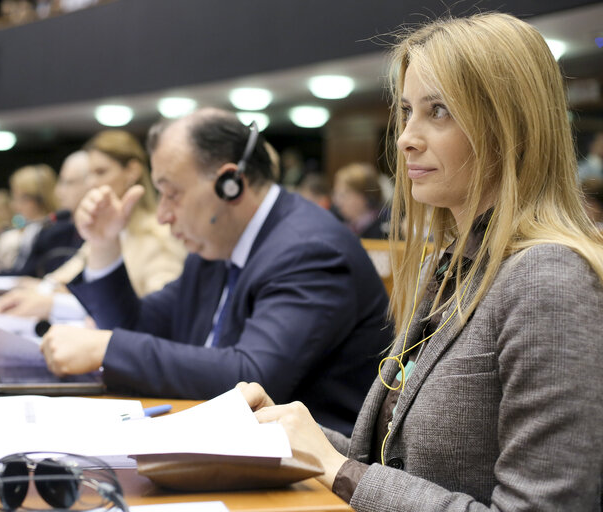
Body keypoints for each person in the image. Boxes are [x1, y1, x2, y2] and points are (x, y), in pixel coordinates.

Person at [238, 12, 603, 510]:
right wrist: (296, 433)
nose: (406, 137)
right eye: (408, 111)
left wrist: (335, 468)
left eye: (439, 111)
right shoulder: (453, 263)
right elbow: (399, 466)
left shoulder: (549, 277)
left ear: (509, 127)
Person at [40, 108, 391, 436]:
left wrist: (109, 348)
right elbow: (138, 325)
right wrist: (104, 245)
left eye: (171, 194)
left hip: (311, 473)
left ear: (230, 184)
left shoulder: (310, 249)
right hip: (232, 441)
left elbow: (252, 378)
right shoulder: (215, 246)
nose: (163, 214)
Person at [0, 130, 186, 319]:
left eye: (101, 172)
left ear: (132, 171)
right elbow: (64, 277)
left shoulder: (159, 234)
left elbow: (157, 314)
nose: (92, 183)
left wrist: (53, 303)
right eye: (90, 175)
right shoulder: (105, 231)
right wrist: (42, 290)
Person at [331, 163, 389, 239]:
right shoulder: (336, 221)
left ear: (366, 196)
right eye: (336, 194)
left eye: (343, 195)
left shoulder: (387, 225)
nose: (337, 201)